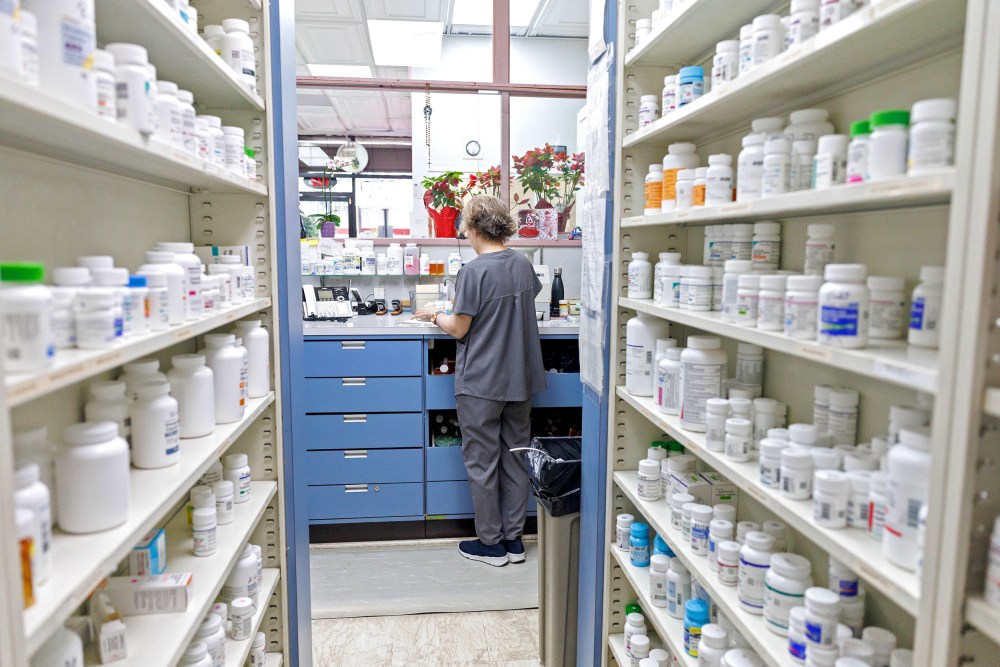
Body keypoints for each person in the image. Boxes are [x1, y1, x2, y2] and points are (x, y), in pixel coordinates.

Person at [425, 195, 547, 567]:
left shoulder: (474, 271)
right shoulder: (523, 265)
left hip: (481, 383)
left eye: (463, 223)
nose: (462, 229)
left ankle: (490, 544)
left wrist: (435, 315)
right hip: (519, 379)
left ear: (474, 228)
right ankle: (515, 541)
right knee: (515, 458)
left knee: (482, 462)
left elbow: (460, 328)